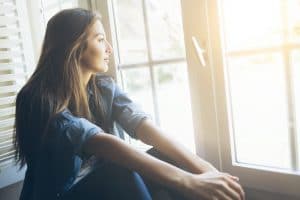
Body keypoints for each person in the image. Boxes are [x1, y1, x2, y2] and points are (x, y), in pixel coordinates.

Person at [14, 8, 245, 200]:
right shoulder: (36, 99)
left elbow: (145, 128)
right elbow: (100, 142)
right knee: (119, 171)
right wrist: (187, 182)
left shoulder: (103, 88)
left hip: (101, 188)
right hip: (60, 195)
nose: (109, 49)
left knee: (163, 156)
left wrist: (207, 171)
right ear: (76, 46)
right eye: (100, 39)